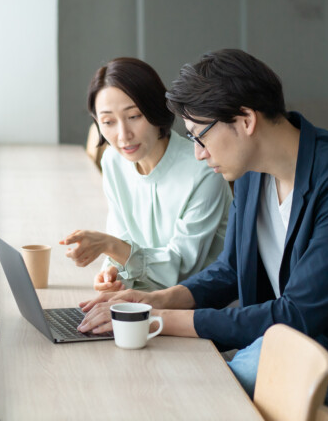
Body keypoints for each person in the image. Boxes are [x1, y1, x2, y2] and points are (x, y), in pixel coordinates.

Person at [77, 49, 328, 421]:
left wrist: (157, 319)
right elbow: (228, 271)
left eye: (200, 136)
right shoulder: (251, 174)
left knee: (231, 370)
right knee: (227, 366)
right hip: (292, 346)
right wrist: (156, 299)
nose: (198, 154)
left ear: (245, 120)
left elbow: (297, 314)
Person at [59, 57, 232, 292]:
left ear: (156, 109)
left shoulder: (202, 169)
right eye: (108, 121)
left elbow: (183, 267)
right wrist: (114, 272)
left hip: (197, 308)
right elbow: (122, 237)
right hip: (141, 299)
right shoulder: (113, 160)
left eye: (134, 116)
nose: (123, 135)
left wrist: (111, 246)